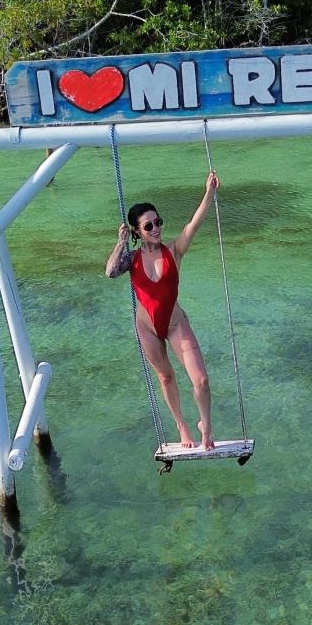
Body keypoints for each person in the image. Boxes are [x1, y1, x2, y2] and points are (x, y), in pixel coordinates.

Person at [106, 171, 220, 450]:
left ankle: (205, 427)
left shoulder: (174, 251)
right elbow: (110, 272)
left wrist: (209, 193)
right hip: (147, 329)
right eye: (148, 226)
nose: (156, 228)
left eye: (158, 222)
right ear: (137, 231)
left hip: (175, 324)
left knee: (201, 380)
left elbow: (193, 224)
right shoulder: (132, 259)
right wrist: (120, 242)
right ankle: (182, 426)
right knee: (166, 378)